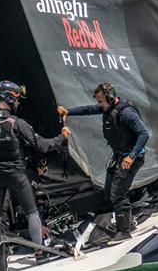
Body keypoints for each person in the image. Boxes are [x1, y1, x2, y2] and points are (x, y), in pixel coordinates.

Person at [0, 80, 69, 251]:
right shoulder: (17, 123)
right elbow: (42, 145)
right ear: (10, 98)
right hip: (17, 175)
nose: (18, 103)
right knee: (31, 212)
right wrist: (61, 138)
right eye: (17, 99)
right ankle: (40, 251)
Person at [57, 82, 149, 244]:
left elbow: (143, 134)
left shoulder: (127, 113)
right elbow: (88, 110)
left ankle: (124, 232)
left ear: (111, 98)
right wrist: (68, 112)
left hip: (131, 158)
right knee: (108, 192)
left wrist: (131, 156)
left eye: (101, 101)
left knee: (117, 194)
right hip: (119, 155)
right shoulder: (107, 107)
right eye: (98, 101)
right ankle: (128, 222)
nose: (99, 105)